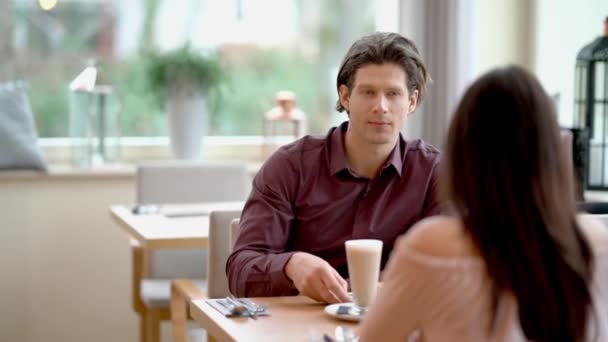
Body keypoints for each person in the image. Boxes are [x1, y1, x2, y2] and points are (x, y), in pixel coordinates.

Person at [358, 65, 608, 341]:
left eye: (393, 93)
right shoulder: (598, 243)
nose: (380, 106)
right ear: (554, 153)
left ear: (462, 153)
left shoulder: (431, 246)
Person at [226, 32, 442, 303]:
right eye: (368, 92)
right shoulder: (290, 166)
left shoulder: (435, 174)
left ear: (411, 101)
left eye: (393, 93)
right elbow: (240, 271)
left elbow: (444, 270)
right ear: (345, 96)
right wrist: (292, 265)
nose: (381, 106)